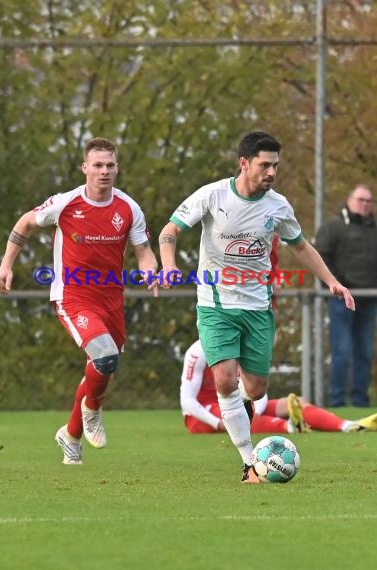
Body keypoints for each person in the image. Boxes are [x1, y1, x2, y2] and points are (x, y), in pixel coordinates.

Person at [159, 130, 355, 484]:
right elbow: (169, 231)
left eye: (275, 166)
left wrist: (331, 280)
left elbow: (301, 247)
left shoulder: (277, 206)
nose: (271, 172)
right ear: (244, 163)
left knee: (258, 389)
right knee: (224, 380)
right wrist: (169, 265)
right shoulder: (212, 195)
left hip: (257, 308)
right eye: (264, 165)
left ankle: (244, 417)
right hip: (215, 305)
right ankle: (249, 461)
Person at [0, 137, 159, 465]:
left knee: (100, 367)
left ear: (117, 168)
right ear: (85, 168)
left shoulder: (128, 208)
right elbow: (25, 222)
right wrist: (5, 265)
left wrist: (150, 271)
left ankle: (70, 435)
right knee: (106, 358)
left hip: (111, 300)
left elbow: (144, 252)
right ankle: (92, 412)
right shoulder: (66, 203)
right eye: (97, 165)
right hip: (73, 297)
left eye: (110, 165)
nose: (104, 171)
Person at [180, 339, 377, 434]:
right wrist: (217, 423)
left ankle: (347, 426)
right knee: (242, 417)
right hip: (203, 415)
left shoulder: (243, 348)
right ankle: (290, 427)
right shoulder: (197, 352)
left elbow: (256, 389)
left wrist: (256, 407)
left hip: (238, 404)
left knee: (295, 402)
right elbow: (188, 401)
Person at [315, 184, 377, 408]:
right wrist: (338, 284)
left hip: (369, 299)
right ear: (350, 200)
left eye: (369, 201)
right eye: (361, 199)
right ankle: (337, 402)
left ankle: (361, 401)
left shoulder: (373, 230)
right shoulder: (333, 227)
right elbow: (321, 256)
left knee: (365, 351)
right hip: (341, 299)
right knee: (342, 351)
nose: (365, 204)